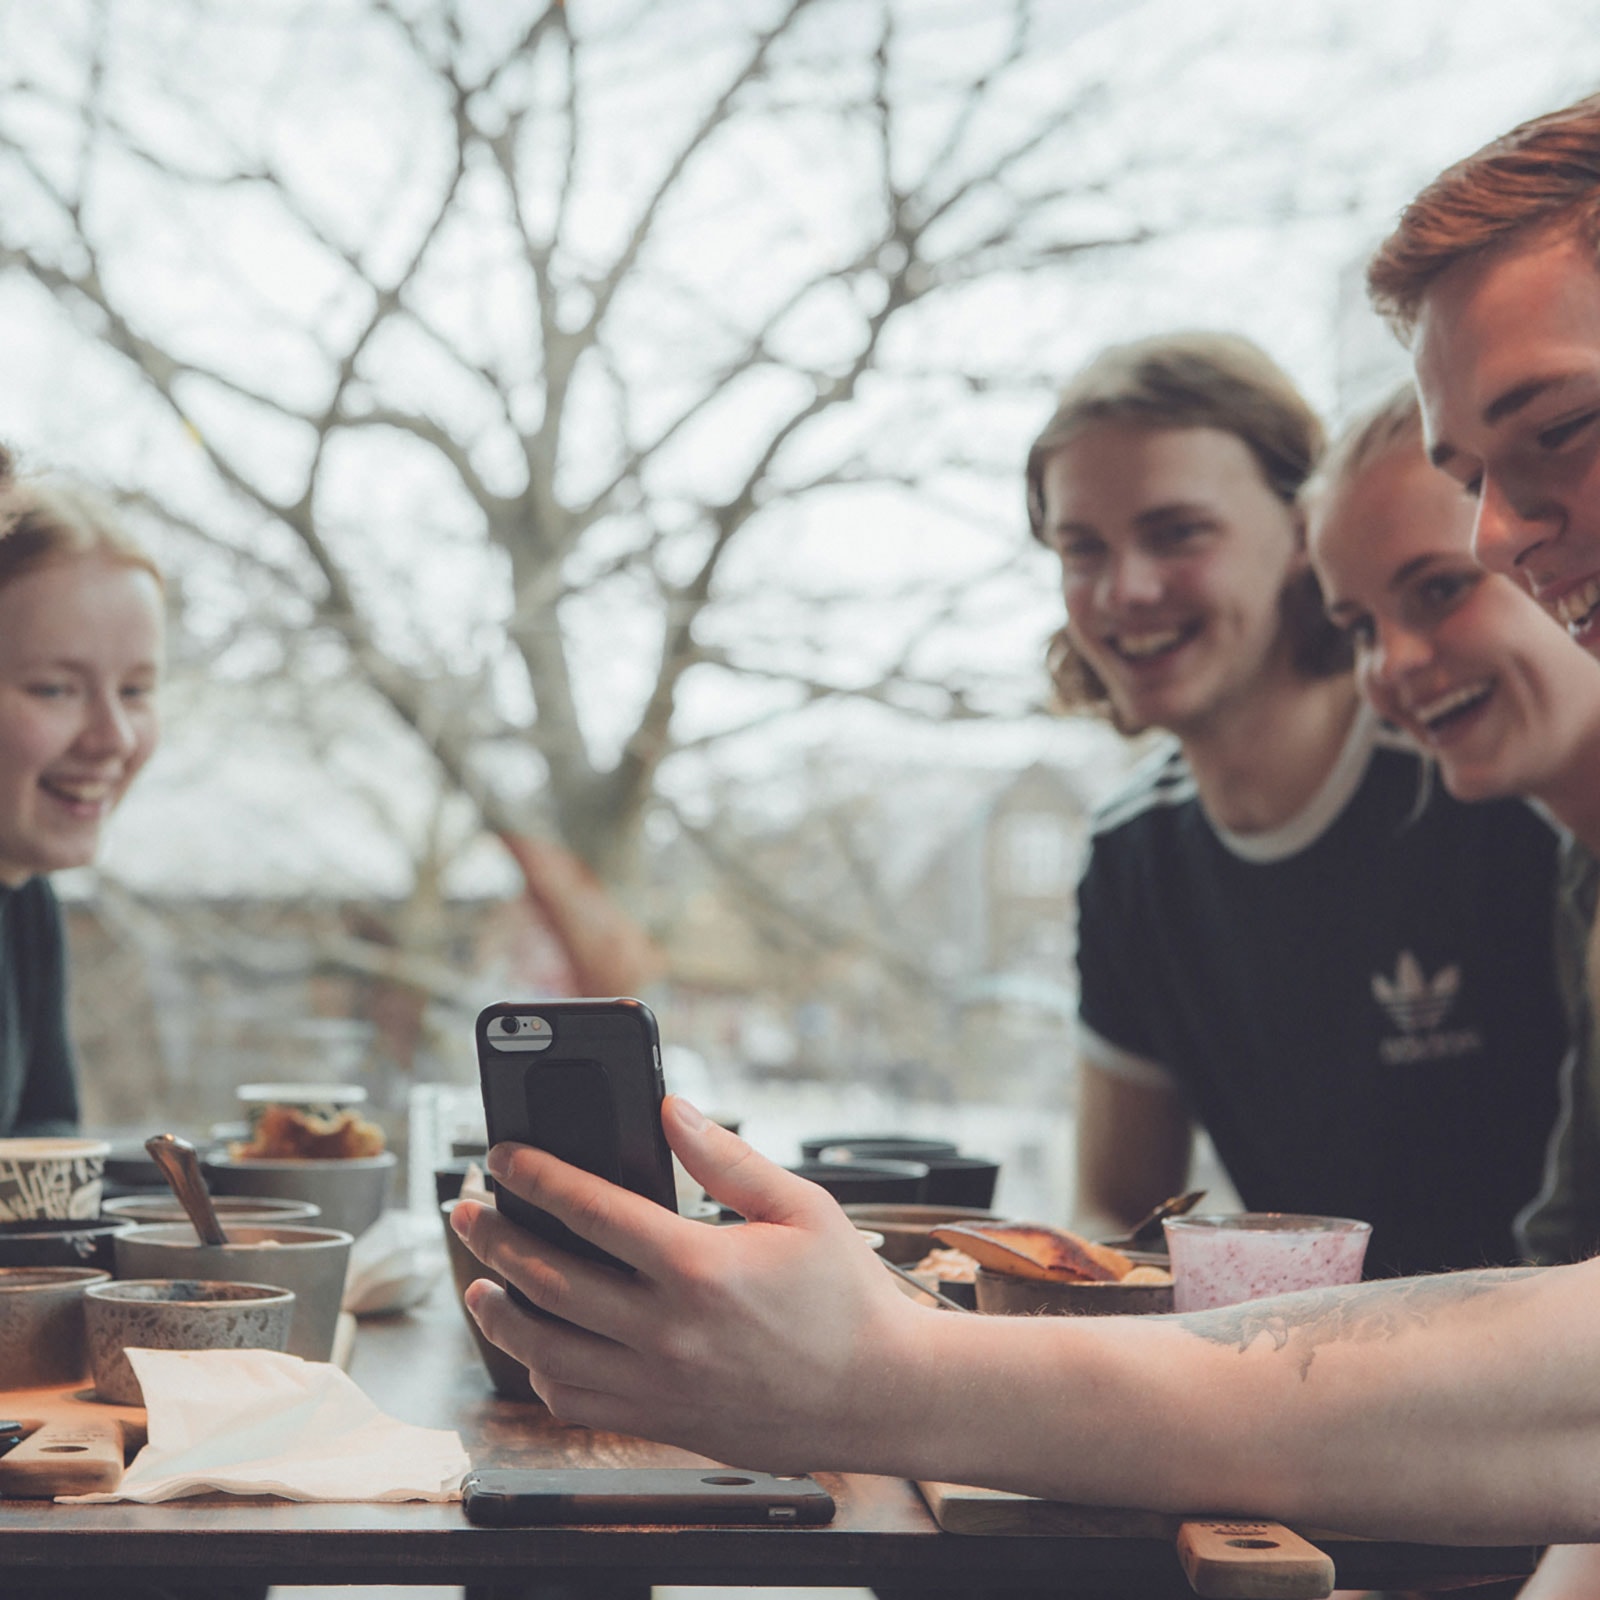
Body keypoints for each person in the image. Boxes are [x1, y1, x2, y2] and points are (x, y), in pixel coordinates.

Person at [1038, 332, 1565, 1277]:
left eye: (1177, 532)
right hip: (1314, 1383)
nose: (1126, 591)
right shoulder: (1131, 853)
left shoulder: (1488, 763)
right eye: (1083, 550)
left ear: (1302, 535)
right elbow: (1119, 1212)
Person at [0, 474, 164, 1137]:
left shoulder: (26, 901)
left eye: (135, 690)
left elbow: (46, 1177)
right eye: (55, 689)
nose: (113, 739)